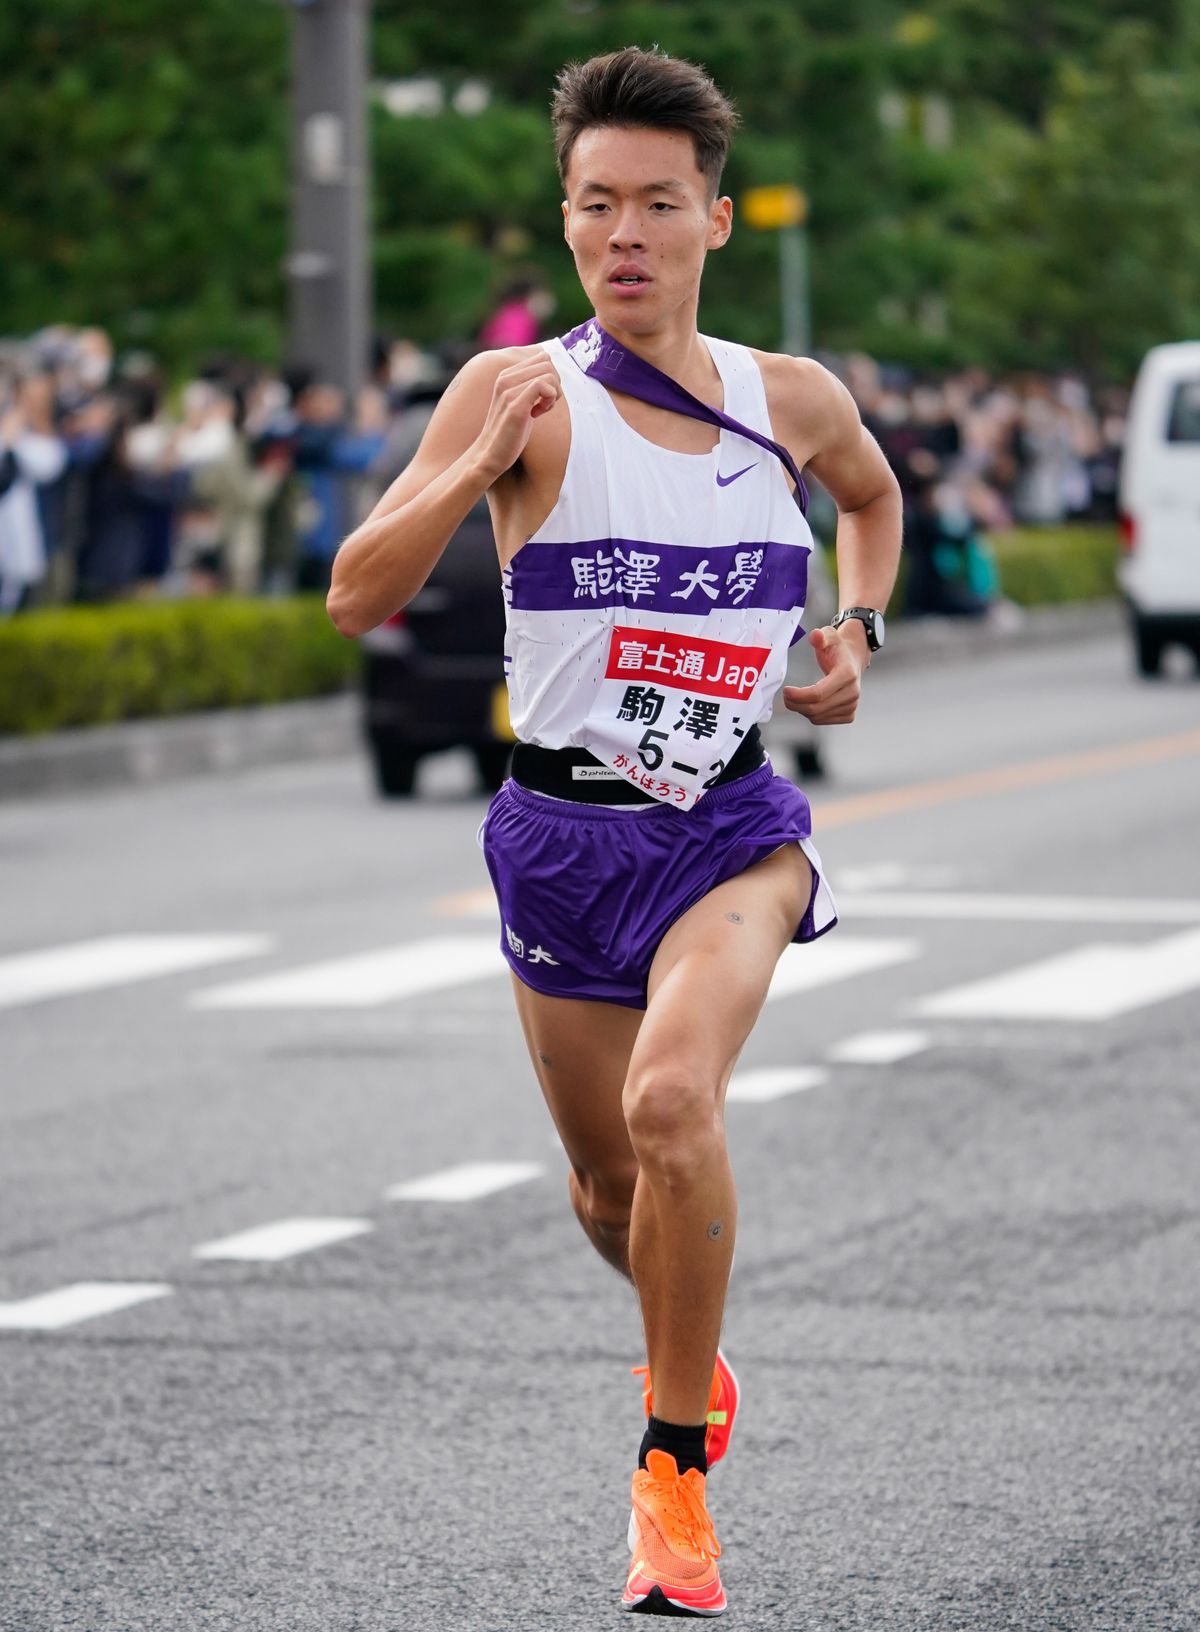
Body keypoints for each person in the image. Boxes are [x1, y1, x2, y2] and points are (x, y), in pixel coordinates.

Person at [328, 46, 900, 1617]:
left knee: (670, 1108)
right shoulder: (518, 396)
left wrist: (853, 625)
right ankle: (691, 1361)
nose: (626, 233)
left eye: (660, 203)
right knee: (604, 1192)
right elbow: (354, 595)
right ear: (568, 220)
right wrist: (464, 454)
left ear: (715, 218)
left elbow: (873, 496)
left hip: (731, 835)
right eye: (597, 205)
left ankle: (669, 1479)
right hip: (560, 842)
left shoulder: (790, 400)